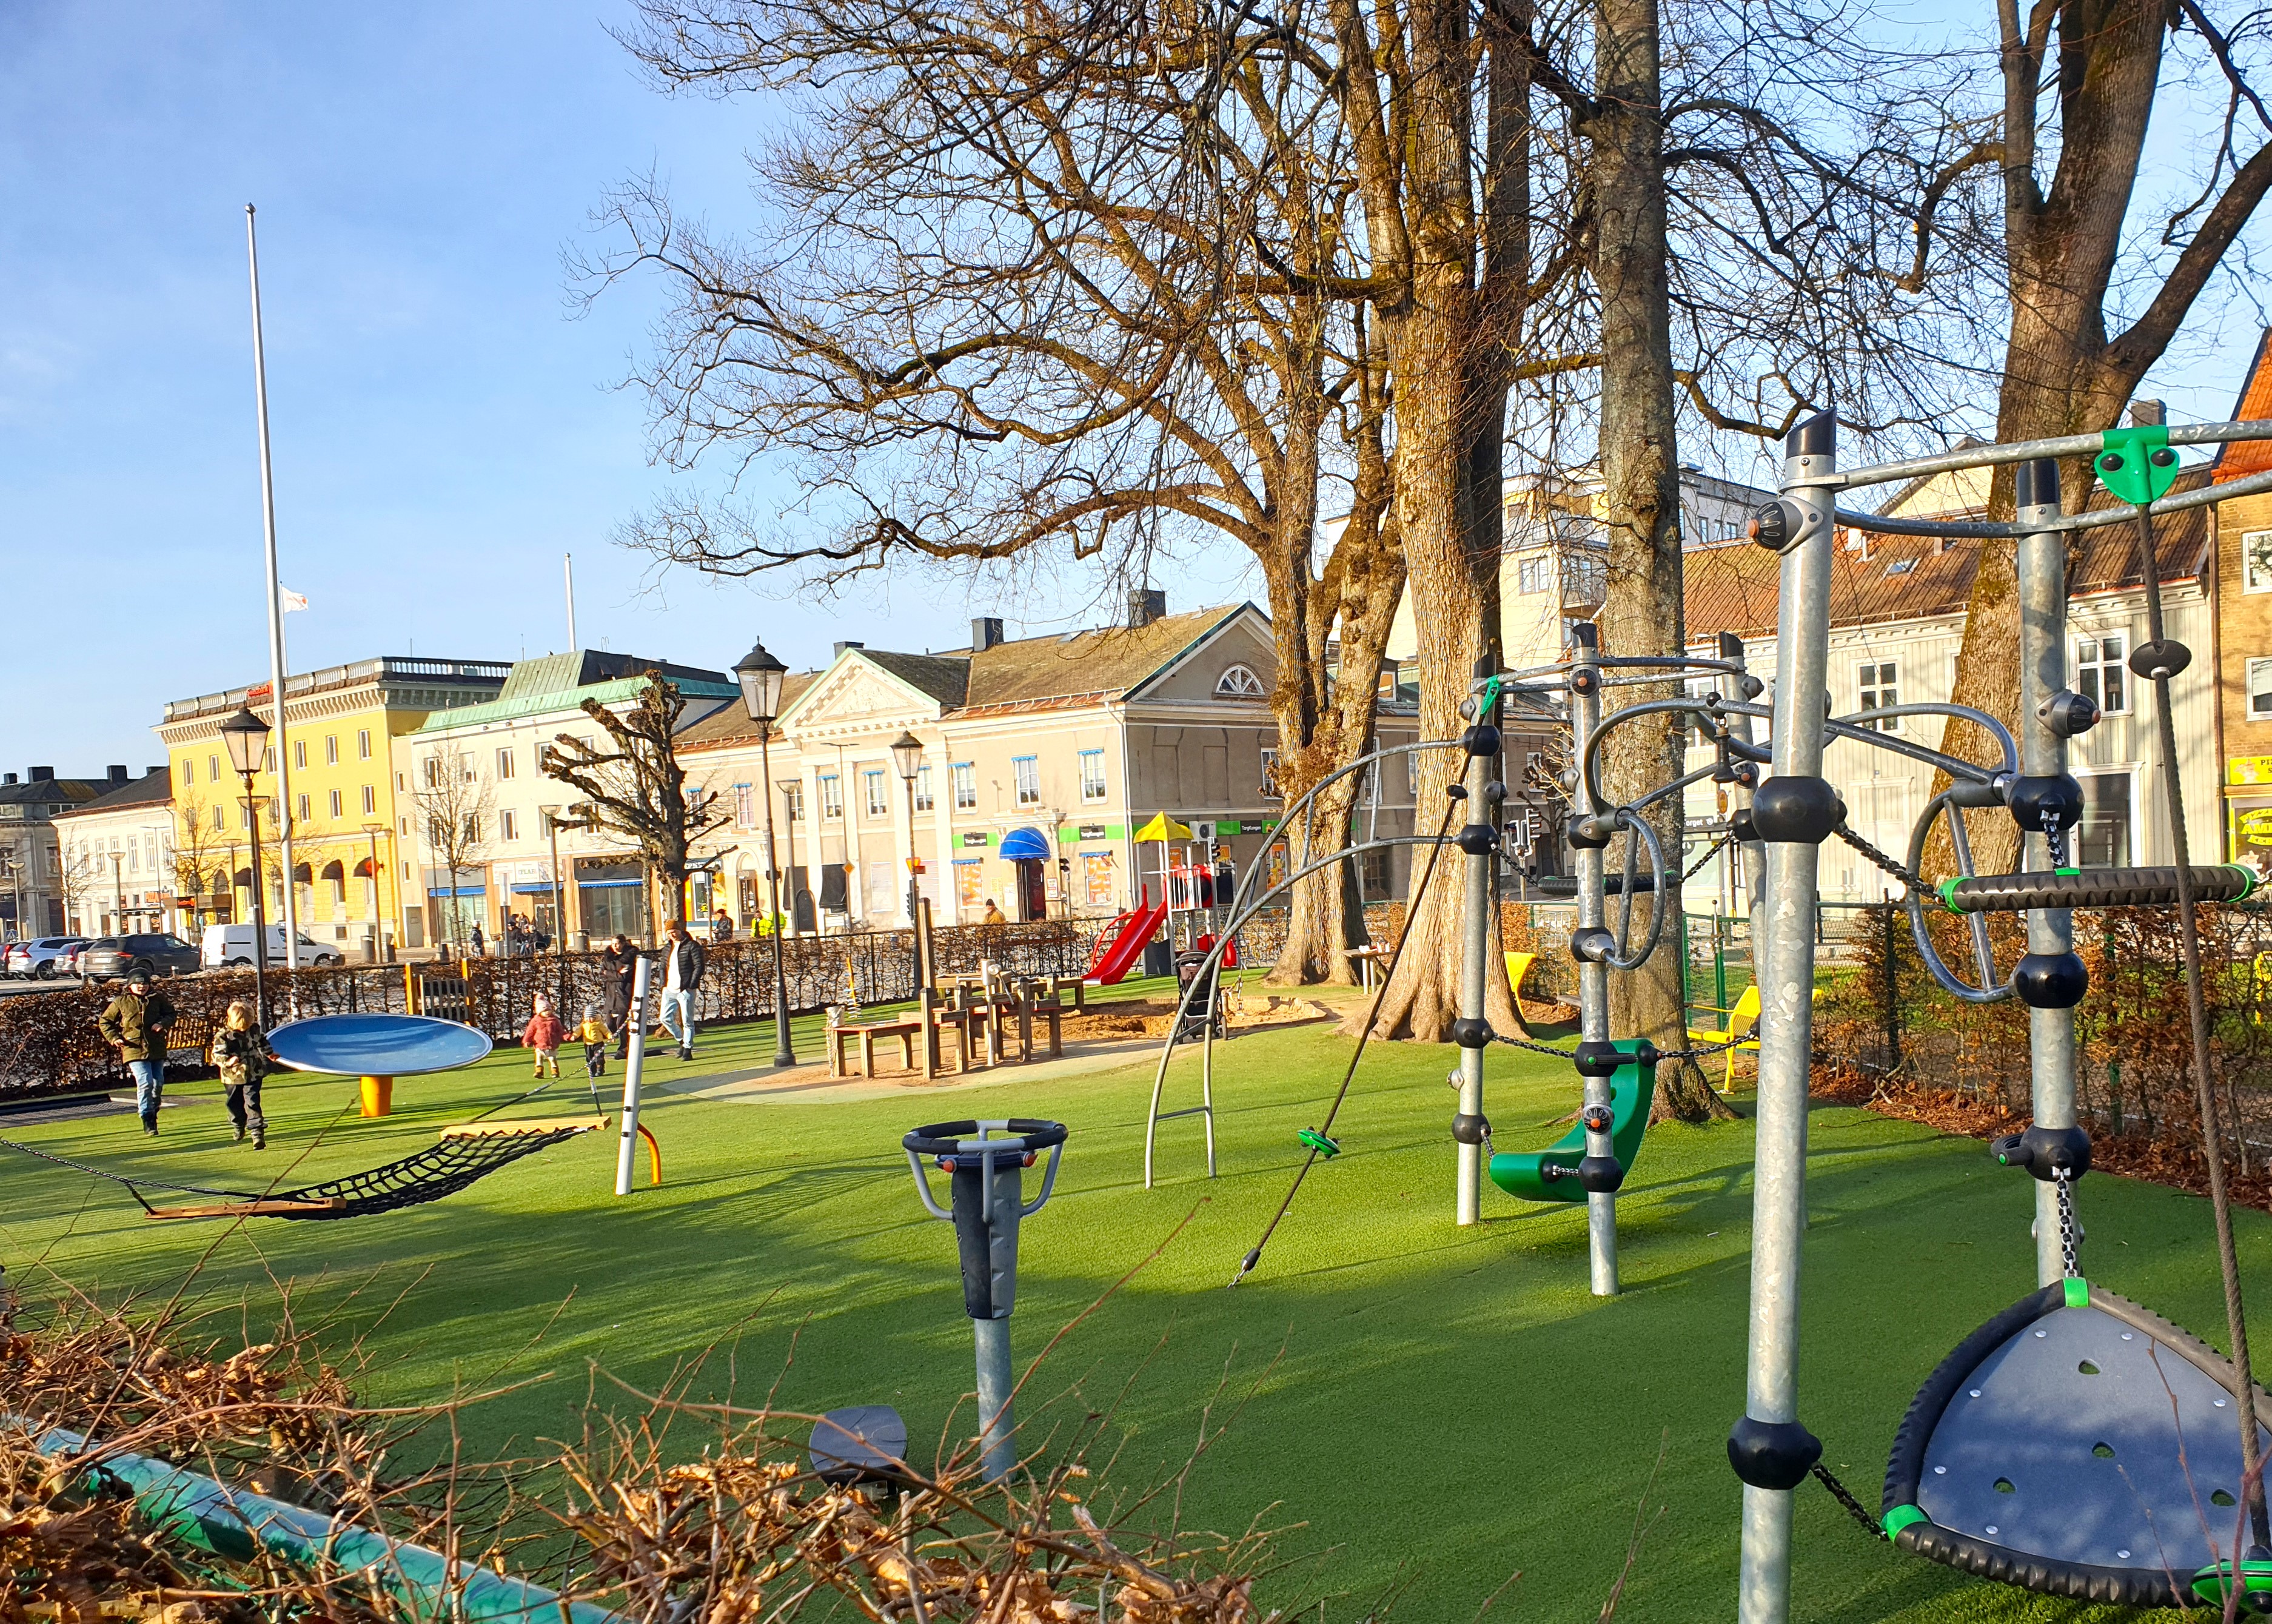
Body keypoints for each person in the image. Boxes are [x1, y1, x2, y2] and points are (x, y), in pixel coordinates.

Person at [98, 967, 175, 1135]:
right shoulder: (121, 1002)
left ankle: (154, 1109)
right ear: (130, 986)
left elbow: (171, 1014)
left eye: (145, 984)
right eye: (138, 984)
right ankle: (147, 1117)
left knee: (158, 1083)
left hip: (156, 1048)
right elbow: (105, 1022)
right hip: (133, 1048)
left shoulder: (158, 999)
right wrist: (114, 1038)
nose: (142, 987)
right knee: (145, 1081)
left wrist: (162, 1024)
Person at [210, 999, 275, 1149]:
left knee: (252, 1101)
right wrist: (228, 1061)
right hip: (232, 1076)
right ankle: (238, 1123)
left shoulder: (254, 1029)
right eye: (242, 1026)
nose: (245, 1029)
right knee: (235, 1104)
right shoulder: (224, 1036)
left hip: (254, 1072)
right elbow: (217, 1054)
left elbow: (262, 1042)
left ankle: (257, 1134)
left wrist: (270, 1054)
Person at [655, 918, 706, 1062]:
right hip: (669, 989)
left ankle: (688, 1050)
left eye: (674, 932)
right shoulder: (667, 948)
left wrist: (691, 984)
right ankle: (681, 1041)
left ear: (680, 930)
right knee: (664, 1018)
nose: (673, 935)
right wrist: (663, 985)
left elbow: (699, 966)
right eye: (670, 933)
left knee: (687, 1021)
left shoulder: (692, 946)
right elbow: (662, 967)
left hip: (685, 989)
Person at [602, 933, 637, 1059]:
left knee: (621, 1024)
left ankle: (624, 1049)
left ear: (623, 944)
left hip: (624, 994)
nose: (615, 946)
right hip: (611, 996)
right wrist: (615, 974)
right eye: (613, 944)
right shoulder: (608, 958)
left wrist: (610, 974)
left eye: (617, 944)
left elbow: (624, 977)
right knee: (609, 1022)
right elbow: (602, 975)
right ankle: (623, 1044)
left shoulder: (628, 958)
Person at [523, 995, 565, 1079]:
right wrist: (527, 1041)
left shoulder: (555, 1021)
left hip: (551, 1045)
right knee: (539, 1058)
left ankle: (555, 1072)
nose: (548, 1012)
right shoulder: (535, 1021)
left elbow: (560, 1031)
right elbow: (530, 1031)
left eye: (549, 1010)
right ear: (540, 1012)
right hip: (539, 1044)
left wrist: (567, 1036)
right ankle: (539, 1072)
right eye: (545, 1011)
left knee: (552, 1059)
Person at [577, 1001, 611, 1079]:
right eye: (587, 1017)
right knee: (589, 1058)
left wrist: (610, 1036)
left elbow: (606, 1031)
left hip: (598, 1043)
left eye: (591, 1017)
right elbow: (578, 1031)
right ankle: (592, 1071)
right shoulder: (584, 1025)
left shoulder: (599, 1024)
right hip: (588, 1044)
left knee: (599, 1057)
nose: (589, 1019)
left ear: (595, 1017)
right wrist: (574, 1036)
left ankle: (600, 1068)